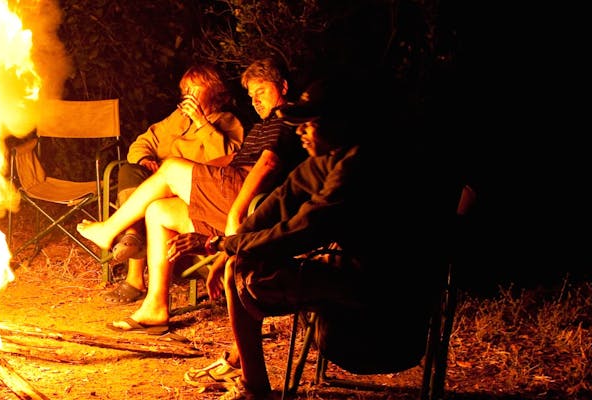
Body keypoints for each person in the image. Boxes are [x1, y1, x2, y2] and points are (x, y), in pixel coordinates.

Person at [165, 80, 448, 399]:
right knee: (237, 267)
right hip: (353, 274)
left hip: (385, 299)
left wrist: (218, 244)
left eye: (310, 124)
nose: (300, 133)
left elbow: (301, 230)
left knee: (248, 275)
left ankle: (255, 388)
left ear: (339, 124)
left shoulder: (359, 165)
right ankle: (253, 383)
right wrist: (226, 253)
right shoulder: (327, 161)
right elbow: (277, 205)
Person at [76, 57, 307, 334]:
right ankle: (155, 307)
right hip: (231, 193)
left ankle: (109, 229)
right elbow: (232, 158)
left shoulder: (287, 119)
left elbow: (266, 166)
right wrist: (188, 173)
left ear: (283, 86)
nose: (255, 101)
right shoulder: (262, 125)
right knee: (158, 211)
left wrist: (237, 216)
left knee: (172, 167)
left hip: (249, 203)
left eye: (262, 92)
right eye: (251, 95)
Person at [101, 64, 245, 304]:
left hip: (192, 192)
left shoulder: (228, 121)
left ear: (214, 91)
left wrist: (201, 123)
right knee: (130, 170)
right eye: (184, 89)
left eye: (194, 88)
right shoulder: (177, 119)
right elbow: (142, 142)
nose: (188, 93)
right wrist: (145, 159)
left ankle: (134, 274)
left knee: (151, 202)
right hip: (159, 184)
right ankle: (133, 238)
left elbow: (229, 160)